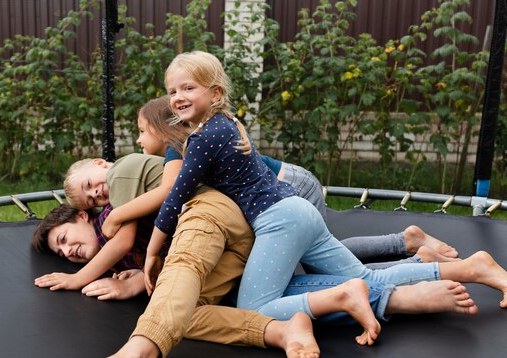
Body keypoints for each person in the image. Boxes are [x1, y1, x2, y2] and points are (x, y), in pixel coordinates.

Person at [140, 51, 507, 323]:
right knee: (367, 276)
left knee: (253, 308)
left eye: (188, 87)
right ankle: (472, 267)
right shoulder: (228, 121)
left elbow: (175, 199)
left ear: (215, 93)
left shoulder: (203, 138)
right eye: (172, 91)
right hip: (299, 211)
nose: (178, 97)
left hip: (279, 222)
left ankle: (345, 297)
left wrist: (153, 254)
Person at [41, 187, 482, 358]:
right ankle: (290, 327)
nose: (71, 253)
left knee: (187, 262)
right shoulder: (113, 254)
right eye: (63, 256)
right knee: (183, 313)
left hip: (222, 209)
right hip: (250, 243)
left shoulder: (113, 211)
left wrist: (91, 277)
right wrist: (133, 278)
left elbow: (167, 203)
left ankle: (135, 356)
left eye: (65, 240)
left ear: (82, 214)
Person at [96, 95, 457, 269]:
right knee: (318, 255)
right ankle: (407, 245)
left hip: (289, 187)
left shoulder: (180, 148)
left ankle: (409, 250)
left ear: (166, 127)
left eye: (143, 131)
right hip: (286, 186)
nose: (140, 141)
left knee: (316, 263)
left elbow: (167, 196)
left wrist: (116, 215)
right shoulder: (189, 142)